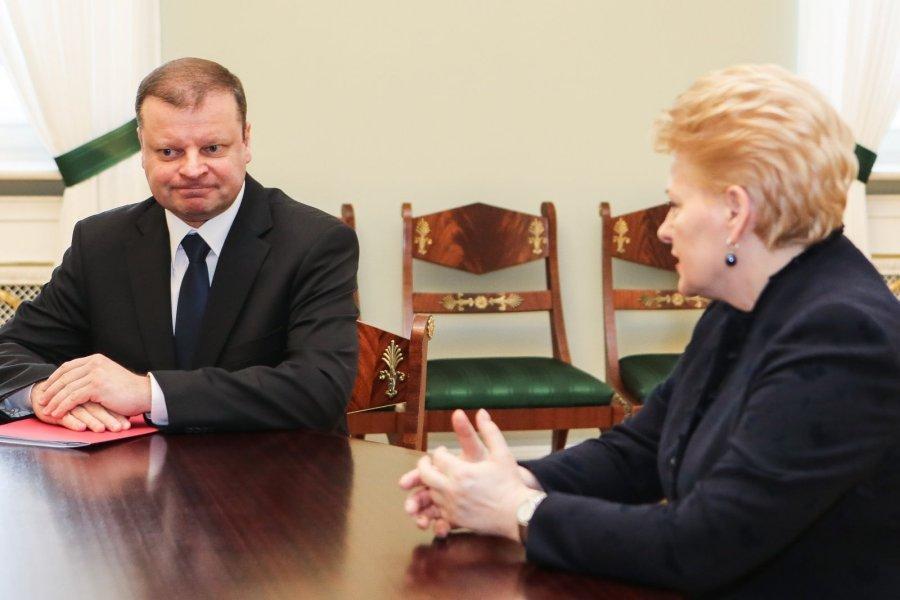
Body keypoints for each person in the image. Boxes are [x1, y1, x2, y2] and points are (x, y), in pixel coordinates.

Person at [399, 64, 900, 597]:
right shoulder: (747, 302)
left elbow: (703, 544)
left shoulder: (844, 336)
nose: (663, 228)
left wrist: (519, 511)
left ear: (736, 212)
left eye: (676, 204)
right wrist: (507, 483)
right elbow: (641, 450)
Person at [0, 58, 359, 434]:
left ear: (246, 141)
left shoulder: (314, 242)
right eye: (169, 152)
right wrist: (44, 395)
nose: (192, 169)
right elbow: (10, 350)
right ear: (143, 148)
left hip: (275, 464)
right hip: (132, 467)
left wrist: (147, 393)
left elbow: (319, 387)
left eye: (212, 148)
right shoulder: (100, 243)